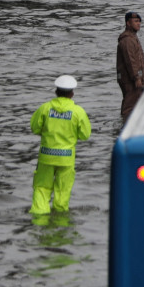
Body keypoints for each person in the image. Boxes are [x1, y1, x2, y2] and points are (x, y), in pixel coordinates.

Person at [30, 75, 92, 215]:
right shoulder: (78, 112)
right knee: (63, 191)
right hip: (66, 158)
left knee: (41, 188)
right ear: (72, 93)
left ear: (56, 91)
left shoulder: (45, 108)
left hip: (46, 156)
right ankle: (60, 219)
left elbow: (35, 128)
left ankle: (39, 219)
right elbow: (85, 135)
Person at [117, 13, 144, 121]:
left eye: (139, 21)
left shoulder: (133, 37)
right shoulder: (128, 40)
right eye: (135, 21)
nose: (138, 24)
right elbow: (130, 60)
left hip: (133, 78)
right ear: (128, 23)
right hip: (130, 80)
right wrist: (136, 78)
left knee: (136, 104)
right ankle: (124, 128)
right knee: (129, 107)